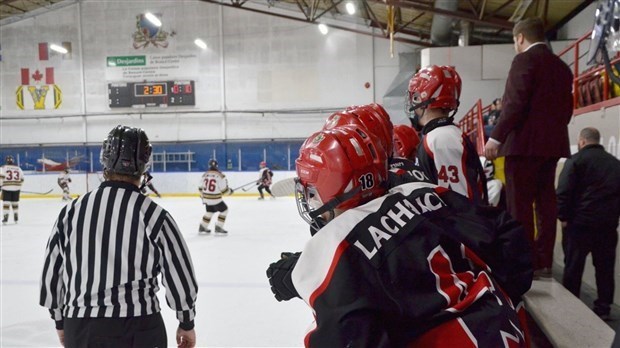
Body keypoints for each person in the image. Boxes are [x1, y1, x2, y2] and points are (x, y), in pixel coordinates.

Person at [266, 126, 533, 347]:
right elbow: (508, 236)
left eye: (311, 191)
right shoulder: (424, 190)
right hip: (506, 328)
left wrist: (312, 274)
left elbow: (345, 337)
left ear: (332, 187)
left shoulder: (331, 247)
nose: (309, 199)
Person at [39, 125, 198, 348]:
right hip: (139, 327)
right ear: (144, 164)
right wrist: (186, 321)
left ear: (105, 160)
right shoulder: (154, 215)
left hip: (81, 326)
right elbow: (180, 274)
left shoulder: (71, 212)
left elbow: (52, 275)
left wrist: (60, 321)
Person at [484, 17, 573, 277]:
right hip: (552, 146)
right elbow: (567, 109)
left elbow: (514, 103)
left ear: (520, 38)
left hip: (522, 147)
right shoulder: (562, 68)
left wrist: (496, 137)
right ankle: (544, 259)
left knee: (519, 205)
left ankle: (524, 260)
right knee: (546, 203)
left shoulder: (524, 60)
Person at [556, 127, 620, 320]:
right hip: (607, 226)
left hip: (579, 225)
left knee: (573, 266)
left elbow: (563, 192)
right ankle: (603, 307)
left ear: (582, 141)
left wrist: (563, 217)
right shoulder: (616, 164)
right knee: (605, 269)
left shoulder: (576, 161)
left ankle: (570, 304)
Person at [406, 64, 488, 205]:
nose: (413, 100)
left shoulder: (441, 139)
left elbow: (460, 203)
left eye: (415, 96)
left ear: (424, 98)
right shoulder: (442, 135)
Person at [198, 158, 233, 234]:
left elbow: (200, 188)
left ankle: (203, 226)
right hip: (215, 198)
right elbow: (224, 191)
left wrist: (203, 197)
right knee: (224, 210)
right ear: (217, 166)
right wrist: (230, 191)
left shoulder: (205, 175)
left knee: (210, 211)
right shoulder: (221, 175)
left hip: (206, 198)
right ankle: (219, 226)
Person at [0, 155, 24, 224]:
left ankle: (5, 217)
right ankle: (16, 216)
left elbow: (1, 177)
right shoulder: (18, 168)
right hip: (16, 188)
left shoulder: (3, 168)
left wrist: (0, 185)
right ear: (12, 160)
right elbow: (22, 178)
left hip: (6, 188)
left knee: (6, 203)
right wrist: (18, 186)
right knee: (15, 203)